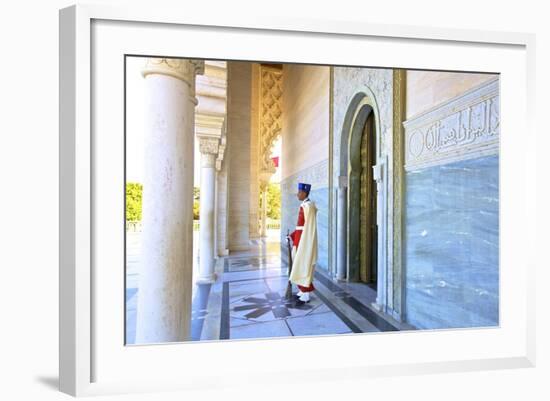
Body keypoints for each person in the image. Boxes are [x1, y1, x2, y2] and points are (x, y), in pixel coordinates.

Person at [287, 182, 318, 303]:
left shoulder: (308, 206)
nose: (297, 194)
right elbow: (301, 226)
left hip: (304, 241)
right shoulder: (304, 205)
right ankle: (302, 290)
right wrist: (293, 236)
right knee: (298, 264)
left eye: (299, 192)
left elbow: (308, 227)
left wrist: (304, 242)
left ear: (304, 193)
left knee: (303, 264)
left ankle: (306, 294)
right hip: (300, 239)